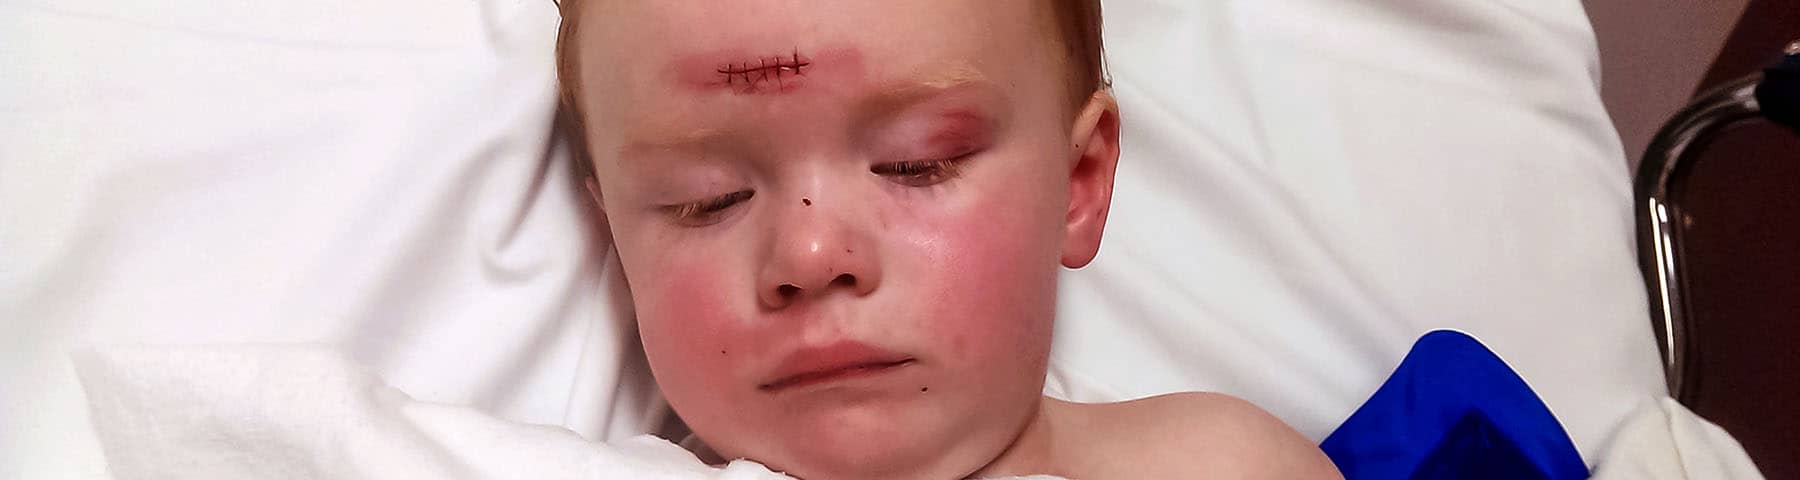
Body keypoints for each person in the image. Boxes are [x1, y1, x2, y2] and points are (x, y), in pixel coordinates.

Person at [555, 1, 1342, 478]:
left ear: (1078, 184)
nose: (811, 256)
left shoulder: (1216, 467)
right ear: (615, 238)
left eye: (917, 163)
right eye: (705, 200)